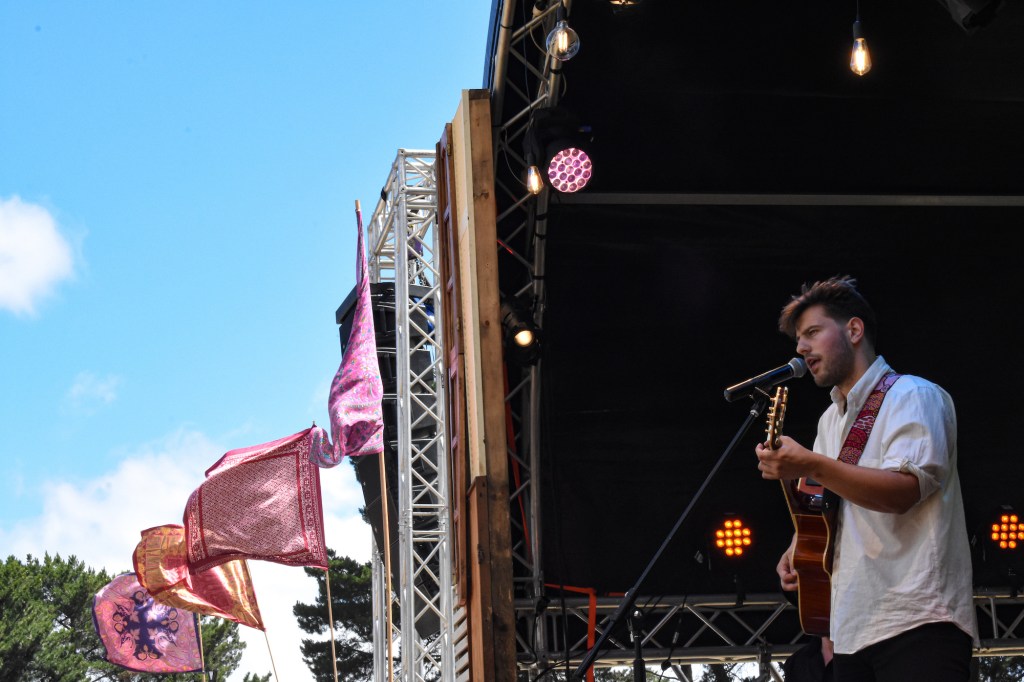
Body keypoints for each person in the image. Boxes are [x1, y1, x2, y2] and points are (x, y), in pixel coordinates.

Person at [755, 276, 977, 682]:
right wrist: (798, 549)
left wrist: (810, 465)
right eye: (798, 340)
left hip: (918, 620)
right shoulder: (829, 421)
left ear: (854, 330)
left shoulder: (913, 395)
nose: (801, 348)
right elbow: (830, 503)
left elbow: (902, 492)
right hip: (851, 629)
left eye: (812, 333)